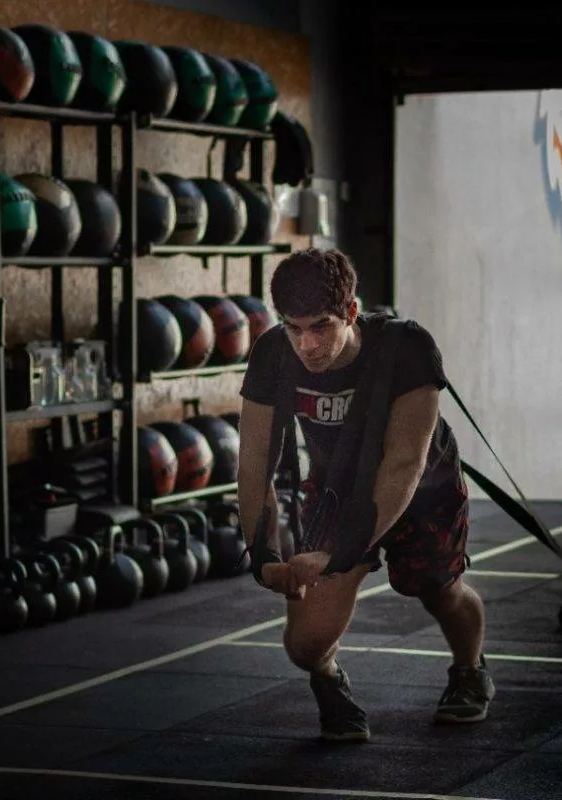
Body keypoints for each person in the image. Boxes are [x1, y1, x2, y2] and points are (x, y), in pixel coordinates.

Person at [236, 247, 494, 743]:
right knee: (305, 644)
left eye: (321, 326)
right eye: (293, 327)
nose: (306, 344)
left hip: (423, 489)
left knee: (438, 590)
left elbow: (404, 465)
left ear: (351, 312)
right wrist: (263, 553)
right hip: (337, 490)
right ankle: (330, 679)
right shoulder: (272, 354)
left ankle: (469, 668)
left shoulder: (407, 349)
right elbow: (253, 462)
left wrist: (338, 552)